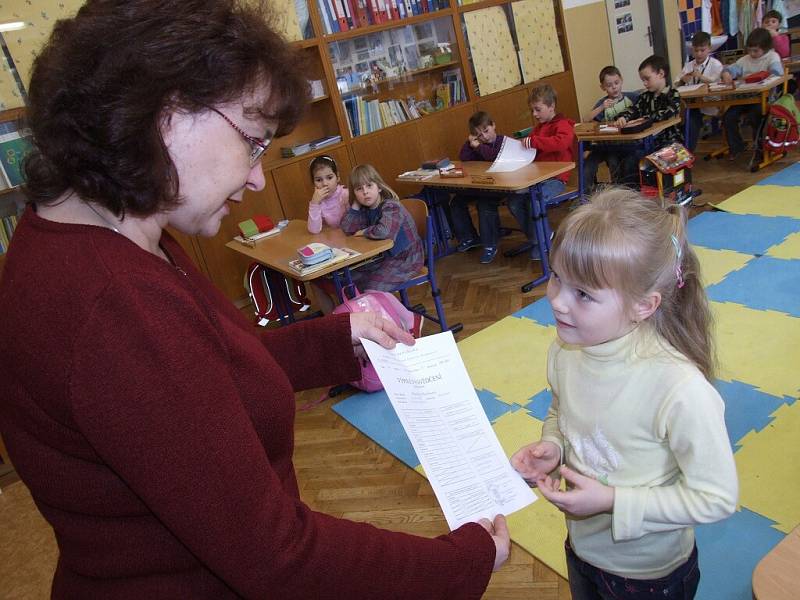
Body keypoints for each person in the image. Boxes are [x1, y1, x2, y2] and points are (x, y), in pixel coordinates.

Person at [0, 2, 510, 598]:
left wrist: (335, 338)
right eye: (253, 142)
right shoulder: (111, 303)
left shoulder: (111, 236)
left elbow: (206, 371)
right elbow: (280, 558)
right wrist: (463, 560)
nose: (257, 179)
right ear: (165, 112)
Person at [510, 188, 738, 600]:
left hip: (649, 575)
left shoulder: (680, 389)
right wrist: (553, 446)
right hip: (582, 550)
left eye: (583, 294)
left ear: (643, 306)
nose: (558, 302)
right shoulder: (566, 350)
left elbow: (717, 498)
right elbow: (562, 408)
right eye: (557, 277)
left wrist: (614, 502)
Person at [513, 84, 575, 259]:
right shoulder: (538, 128)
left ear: (551, 106)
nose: (534, 114)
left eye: (538, 109)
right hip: (538, 178)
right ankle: (540, 238)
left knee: (534, 202)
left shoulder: (563, 124)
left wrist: (534, 142)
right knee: (514, 201)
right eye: (533, 110)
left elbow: (560, 143)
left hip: (556, 179)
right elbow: (533, 146)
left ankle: (542, 240)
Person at [340, 164, 424, 291]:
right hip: (385, 258)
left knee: (372, 288)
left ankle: (389, 310)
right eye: (359, 189)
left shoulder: (391, 206)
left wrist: (364, 231)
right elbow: (347, 228)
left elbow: (384, 232)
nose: (365, 192)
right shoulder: (365, 209)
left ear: (378, 186)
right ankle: (364, 309)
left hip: (406, 258)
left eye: (369, 185)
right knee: (349, 281)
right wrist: (355, 205)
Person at [615, 55, 683, 187]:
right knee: (630, 160)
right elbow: (633, 110)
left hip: (669, 141)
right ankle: (630, 195)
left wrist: (647, 118)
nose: (644, 83)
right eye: (642, 80)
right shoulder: (644, 97)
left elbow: (668, 112)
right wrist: (623, 117)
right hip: (647, 142)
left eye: (647, 79)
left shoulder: (673, 94)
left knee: (664, 159)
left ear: (661, 74)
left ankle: (667, 193)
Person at [450, 111, 507, 264]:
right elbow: (464, 158)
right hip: (480, 186)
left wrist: (478, 146)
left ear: (493, 125)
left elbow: (492, 157)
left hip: (500, 186)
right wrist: (470, 144)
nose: (485, 137)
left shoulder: (503, 142)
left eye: (486, 131)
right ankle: (469, 238)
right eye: (479, 135)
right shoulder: (476, 145)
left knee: (484, 204)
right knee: (456, 202)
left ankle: (490, 245)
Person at [720, 28, 784, 160]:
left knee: (756, 116)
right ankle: (737, 146)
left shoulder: (772, 57)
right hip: (745, 98)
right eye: (750, 50)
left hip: (764, 99)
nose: (752, 54)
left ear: (765, 48)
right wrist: (726, 73)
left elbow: (778, 74)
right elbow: (731, 69)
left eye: (756, 50)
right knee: (728, 117)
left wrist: (766, 77)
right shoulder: (745, 60)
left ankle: (760, 148)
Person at [581, 66, 638, 193]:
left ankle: (625, 190)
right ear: (603, 87)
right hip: (610, 144)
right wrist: (601, 107)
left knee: (625, 162)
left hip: (628, 143)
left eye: (616, 83)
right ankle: (616, 190)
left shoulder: (632, 97)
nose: (614, 87)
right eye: (609, 85)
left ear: (621, 80)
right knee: (612, 160)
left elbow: (643, 104)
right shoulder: (603, 103)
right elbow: (585, 119)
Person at [679, 32, 723, 152]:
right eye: (695, 50)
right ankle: (684, 149)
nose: (698, 54)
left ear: (709, 48)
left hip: (710, 102)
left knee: (691, 119)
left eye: (702, 50)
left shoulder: (716, 64)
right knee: (684, 117)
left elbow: (716, 83)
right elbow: (676, 83)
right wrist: (683, 80)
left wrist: (702, 77)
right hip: (692, 103)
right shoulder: (688, 65)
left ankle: (688, 150)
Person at [307, 155, 348, 234]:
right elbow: (314, 230)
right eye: (319, 180)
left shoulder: (345, 194)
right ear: (313, 183)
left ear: (338, 177)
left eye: (329, 178)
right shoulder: (318, 201)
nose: (325, 183)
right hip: (333, 240)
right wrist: (314, 203)